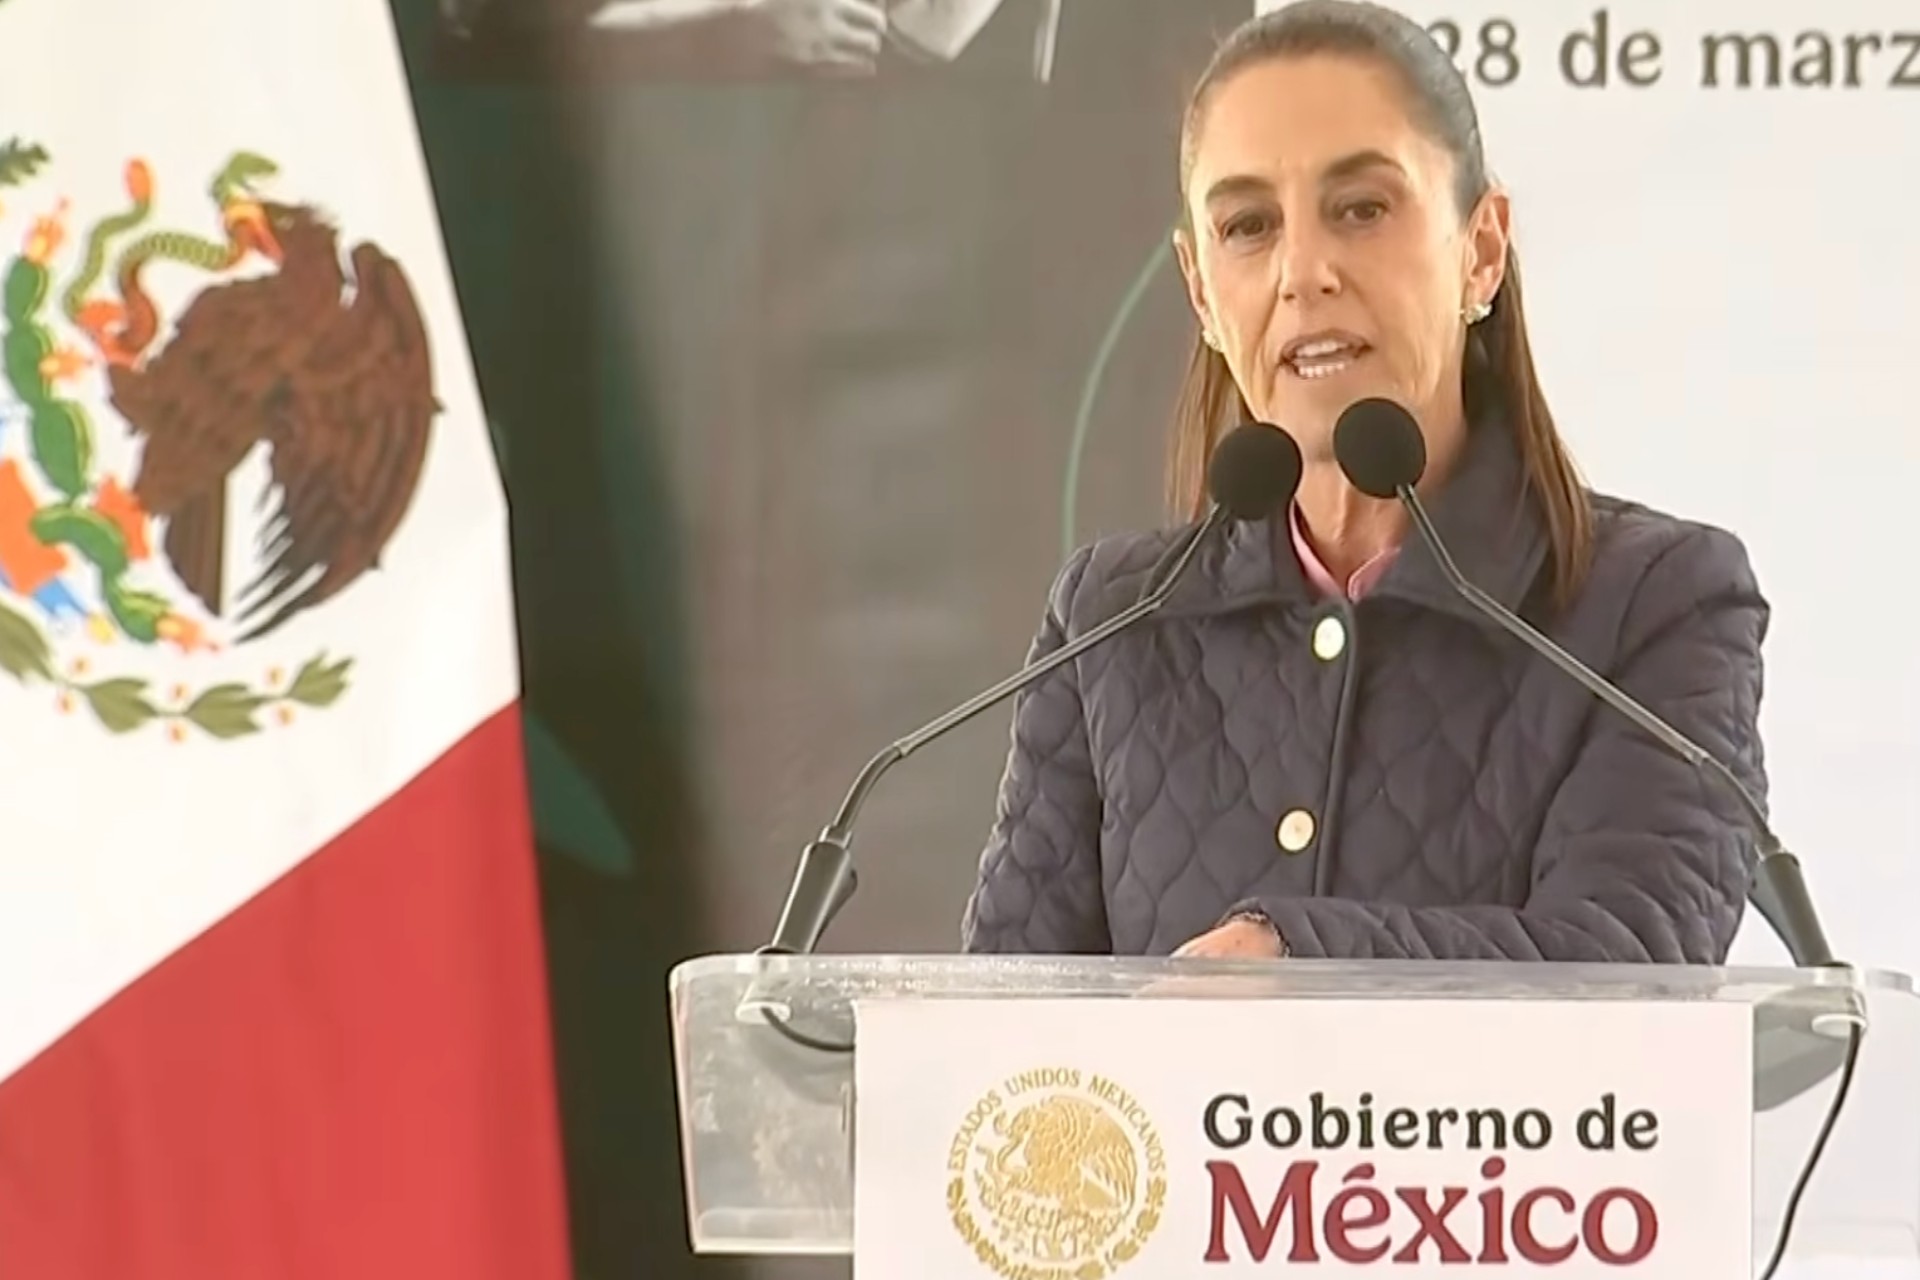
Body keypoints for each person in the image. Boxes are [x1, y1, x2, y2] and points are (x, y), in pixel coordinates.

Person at [959, 0, 1767, 964]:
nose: (1303, 272)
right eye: (1248, 225)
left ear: (1482, 250)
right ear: (1201, 292)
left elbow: (1636, 965)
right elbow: (995, 1017)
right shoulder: (1110, 621)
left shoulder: (1656, 604)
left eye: (1361, 209)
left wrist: (1293, 957)